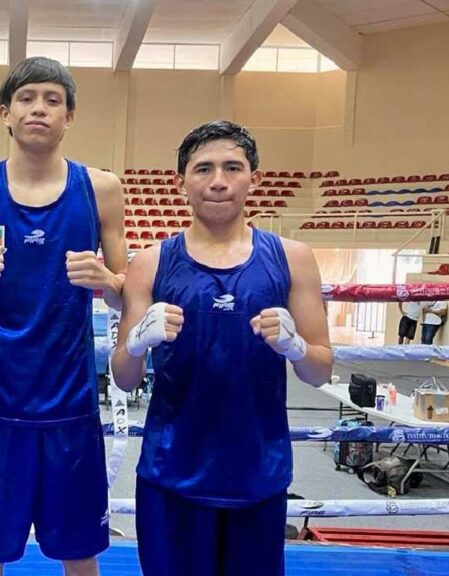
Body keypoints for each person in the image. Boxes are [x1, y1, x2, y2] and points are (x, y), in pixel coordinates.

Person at [111, 120, 333, 576]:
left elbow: (320, 371)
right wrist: (136, 343)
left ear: (254, 177)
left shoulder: (292, 257)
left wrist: (294, 347)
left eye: (233, 167)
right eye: (204, 168)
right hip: (171, 473)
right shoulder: (151, 262)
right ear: (182, 182)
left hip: (258, 473)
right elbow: (123, 376)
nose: (218, 181)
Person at [0, 56, 127, 576]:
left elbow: (124, 295)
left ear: (70, 115)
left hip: (70, 401)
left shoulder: (101, 188)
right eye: (26, 99)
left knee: (79, 554)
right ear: (5, 113)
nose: (38, 109)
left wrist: (106, 280)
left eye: (52, 100)